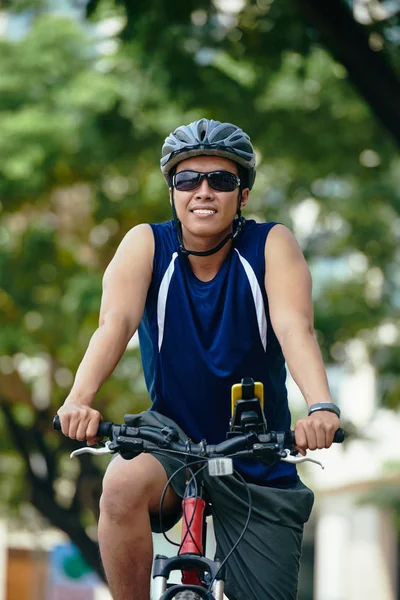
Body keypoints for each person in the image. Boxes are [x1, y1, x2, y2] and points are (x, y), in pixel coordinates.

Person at [57, 118, 341, 600]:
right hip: (170, 441)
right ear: (173, 191)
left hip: (257, 451)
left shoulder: (271, 245)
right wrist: (78, 400)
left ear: (242, 196)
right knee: (121, 483)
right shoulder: (146, 245)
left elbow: (296, 327)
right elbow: (115, 324)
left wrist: (320, 407)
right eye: (188, 179)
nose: (203, 191)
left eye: (221, 180)